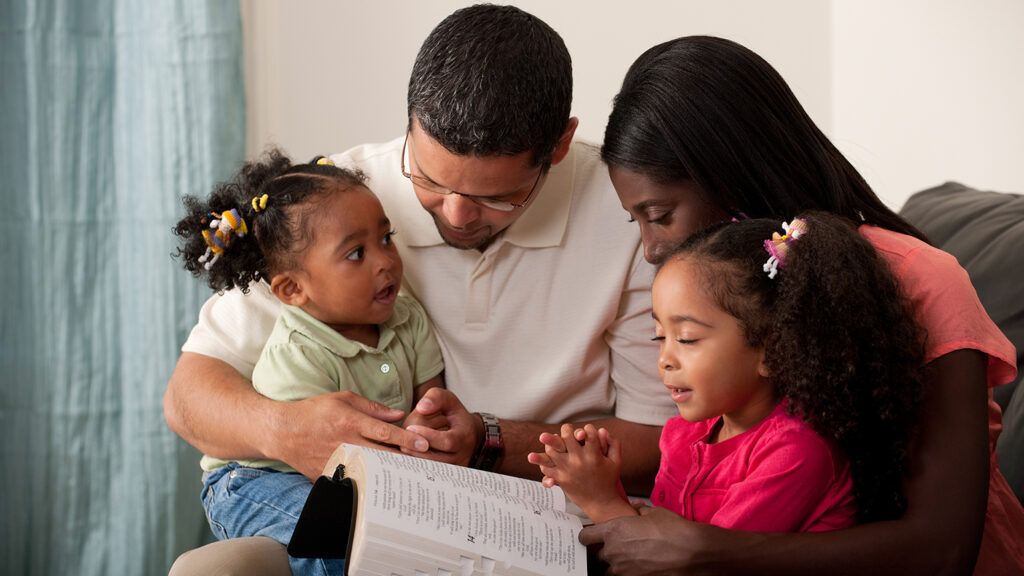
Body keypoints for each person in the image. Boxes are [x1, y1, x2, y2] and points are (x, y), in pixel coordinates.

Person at [166, 5, 673, 574]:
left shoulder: (626, 214)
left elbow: (658, 442)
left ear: (558, 146)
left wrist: (489, 442)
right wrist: (286, 430)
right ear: (410, 122)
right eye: (429, 180)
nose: (456, 215)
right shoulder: (339, 203)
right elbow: (189, 395)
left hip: (544, 520)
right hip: (393, 507)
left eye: (495, 197)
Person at [581, 35, 1023, 575]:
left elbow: (944, 549)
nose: (649, 249)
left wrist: (702, 551)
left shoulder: (918, 279)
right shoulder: (719, 304)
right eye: (637, 221)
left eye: (660, 213)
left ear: (729, 175)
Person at [533, 213, 925, 535]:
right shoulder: (684, 434)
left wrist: (602, 501)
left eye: (686, 339)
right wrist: (602, 480)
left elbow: (692, 563)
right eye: (660, 335)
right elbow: (662, 533)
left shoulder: (797, 452)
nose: (665, 359)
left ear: (772, 350)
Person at [173, 150, 445, 575]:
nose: (385, 260)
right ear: (292, 290)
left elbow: (433, 398)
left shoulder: (407, 319)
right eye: (356, 253)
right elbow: (324, 462)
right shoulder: (296, 355)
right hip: (253, 480)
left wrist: (430, 424)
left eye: (386, 238)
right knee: (338, 537)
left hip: (342, 477)